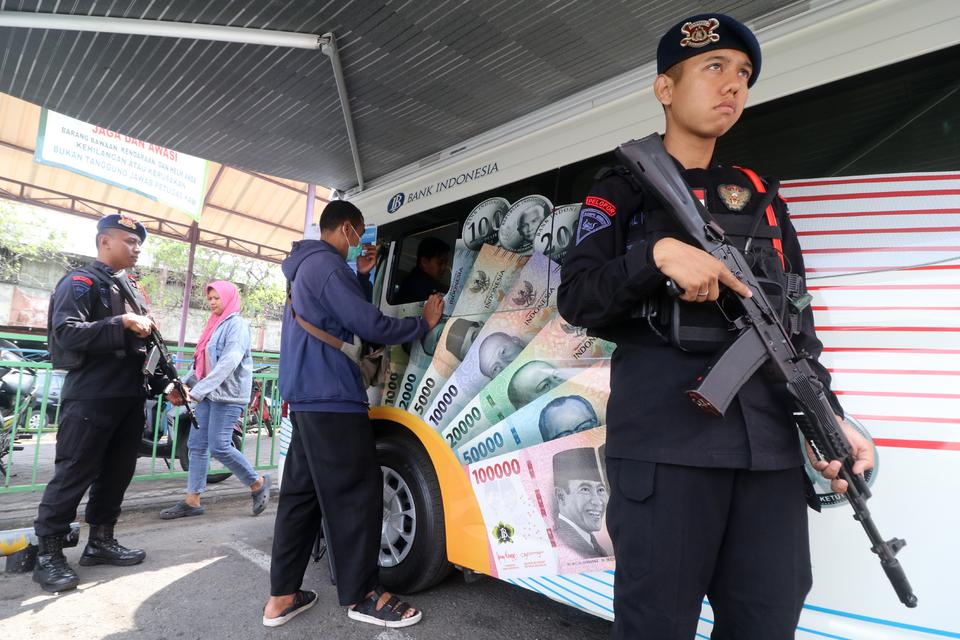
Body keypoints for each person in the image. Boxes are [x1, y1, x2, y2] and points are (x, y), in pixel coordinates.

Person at [557, 14, 875, 639]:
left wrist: (828, 418)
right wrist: (654, 257)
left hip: (769, 457)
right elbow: (577, 298)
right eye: (714, 67)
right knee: (655, 626)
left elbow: (795, 328)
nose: (733, 84)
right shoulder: (620, 190)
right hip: (666, 450)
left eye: (744, 74)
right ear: (665, 88)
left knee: (767, 620)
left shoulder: (762, 199)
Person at [264, 200, 444, 629]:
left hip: (307, 400)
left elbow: (336, 318)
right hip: (332, 397)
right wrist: (422, 323)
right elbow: (370, 325)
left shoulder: (306, 267)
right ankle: (364, 595)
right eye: (359, 234)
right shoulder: (327, 267)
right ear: (346, 228)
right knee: (356, 496)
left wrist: (361, 276)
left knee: (301, 499)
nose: (360, 242)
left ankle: (282, 596)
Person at [34, 214, 156, 593]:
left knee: (117, 474)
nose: (136, 249)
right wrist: (121, 323)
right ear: (105, 241)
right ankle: (48, 555)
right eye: (129, 242)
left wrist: (167, 382)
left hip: (129, 396)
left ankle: (101, 541)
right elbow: (66, 333)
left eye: (139, 244)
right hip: (92, 395)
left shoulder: (130, 288)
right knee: (74, 472)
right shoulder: (80, 282)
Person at [159, 281, 270, 520]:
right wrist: (181, 385)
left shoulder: (237, 326)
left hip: (228, 396)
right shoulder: (213, 325)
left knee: (219, 445)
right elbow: (199, 364)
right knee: (196, 445)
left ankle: (258, 483)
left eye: (216, 298)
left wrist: (196, 392)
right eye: (209, 298)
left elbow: (228, 362)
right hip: (209, 394)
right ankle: (193, 500)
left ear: (228, 298)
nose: (212, 302)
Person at [552, 447, 608, 559]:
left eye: (600, 490)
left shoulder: (590, 542)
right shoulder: (564, 541)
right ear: (561, 496)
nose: (598, 502)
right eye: (585, 489)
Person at [395, 237, 451, 302]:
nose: (444, 267)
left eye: (445, 263)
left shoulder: (415, 281)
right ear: (424, 262)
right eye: (440, 263)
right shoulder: (418, 286)